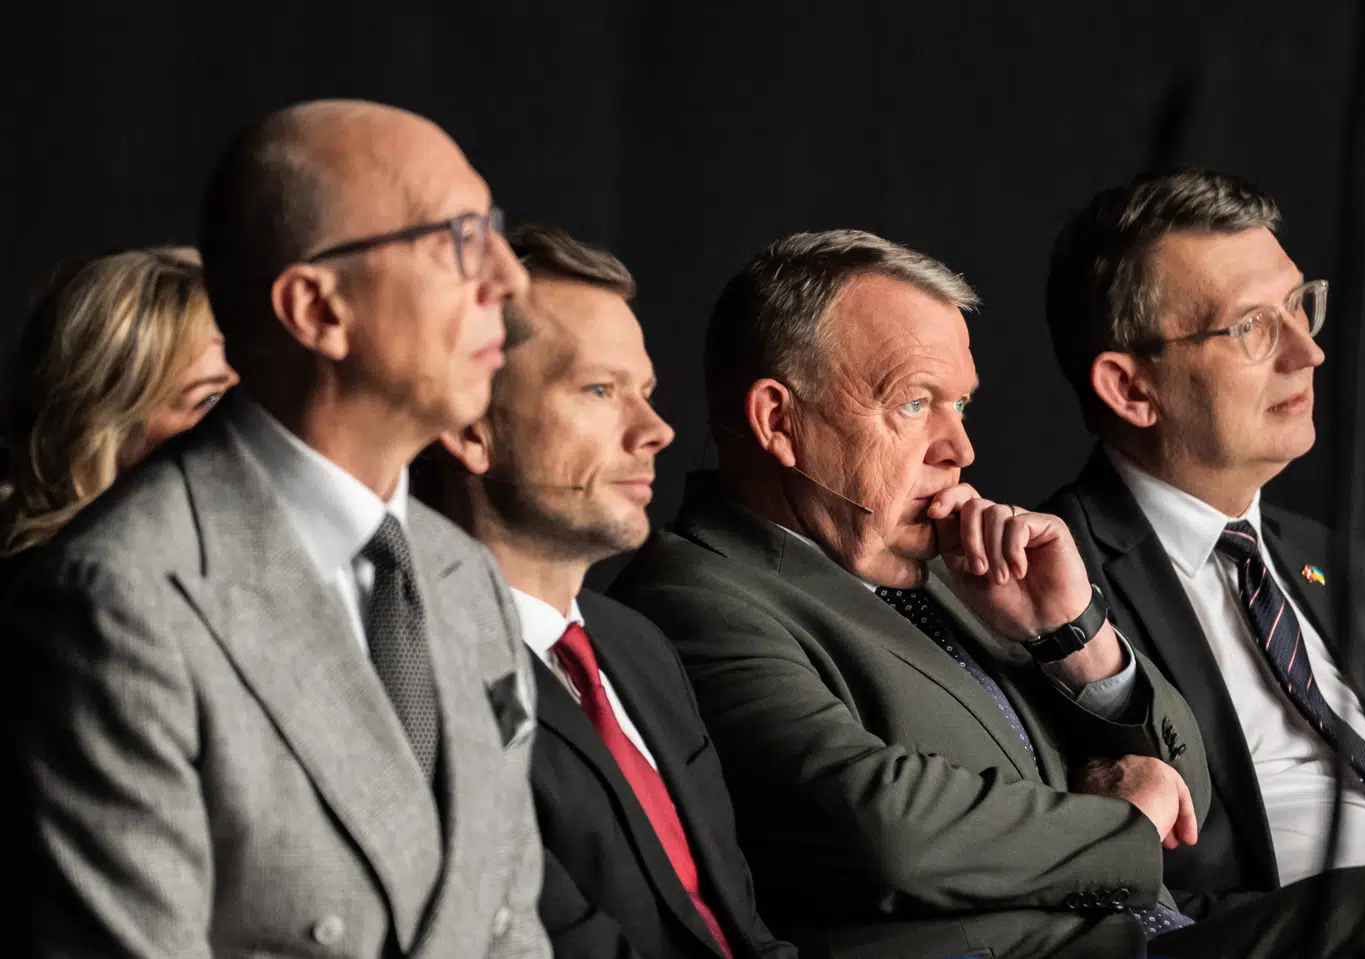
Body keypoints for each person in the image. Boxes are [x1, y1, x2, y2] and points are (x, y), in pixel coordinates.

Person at [609, 228, 1365, 959]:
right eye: (915, 403)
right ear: (778, 420)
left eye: (963, 405)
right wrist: (1123, 820)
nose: (960, 447)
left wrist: (1077, 636)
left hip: (1164, 933)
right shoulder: (695, 593)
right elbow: (888, 830)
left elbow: (1187, 791)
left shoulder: (959, 562)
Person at [4, 100, 548, 958]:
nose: (510, 282)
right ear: (317, 309)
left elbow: (510, 925)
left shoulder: (461, 576)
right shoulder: (118, 602)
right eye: (459, 240)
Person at [411, 223, 796, 959]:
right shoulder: (411, 670)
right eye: (600, 389)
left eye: (645, 392)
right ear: (469, 429)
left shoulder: (636, 645)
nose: (655, 429)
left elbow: (742, 932)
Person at [1040, 169, 1365, 915]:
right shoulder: (1046, 584)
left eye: (1300, 306)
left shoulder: (1346, 568)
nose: (1308, 353)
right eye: (1251, 327)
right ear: (1131, 388)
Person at [0, 247, 237, 555]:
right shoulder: (79, 588)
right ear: (103, 436)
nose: (260, 417)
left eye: (260, 388)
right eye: (212, 399)